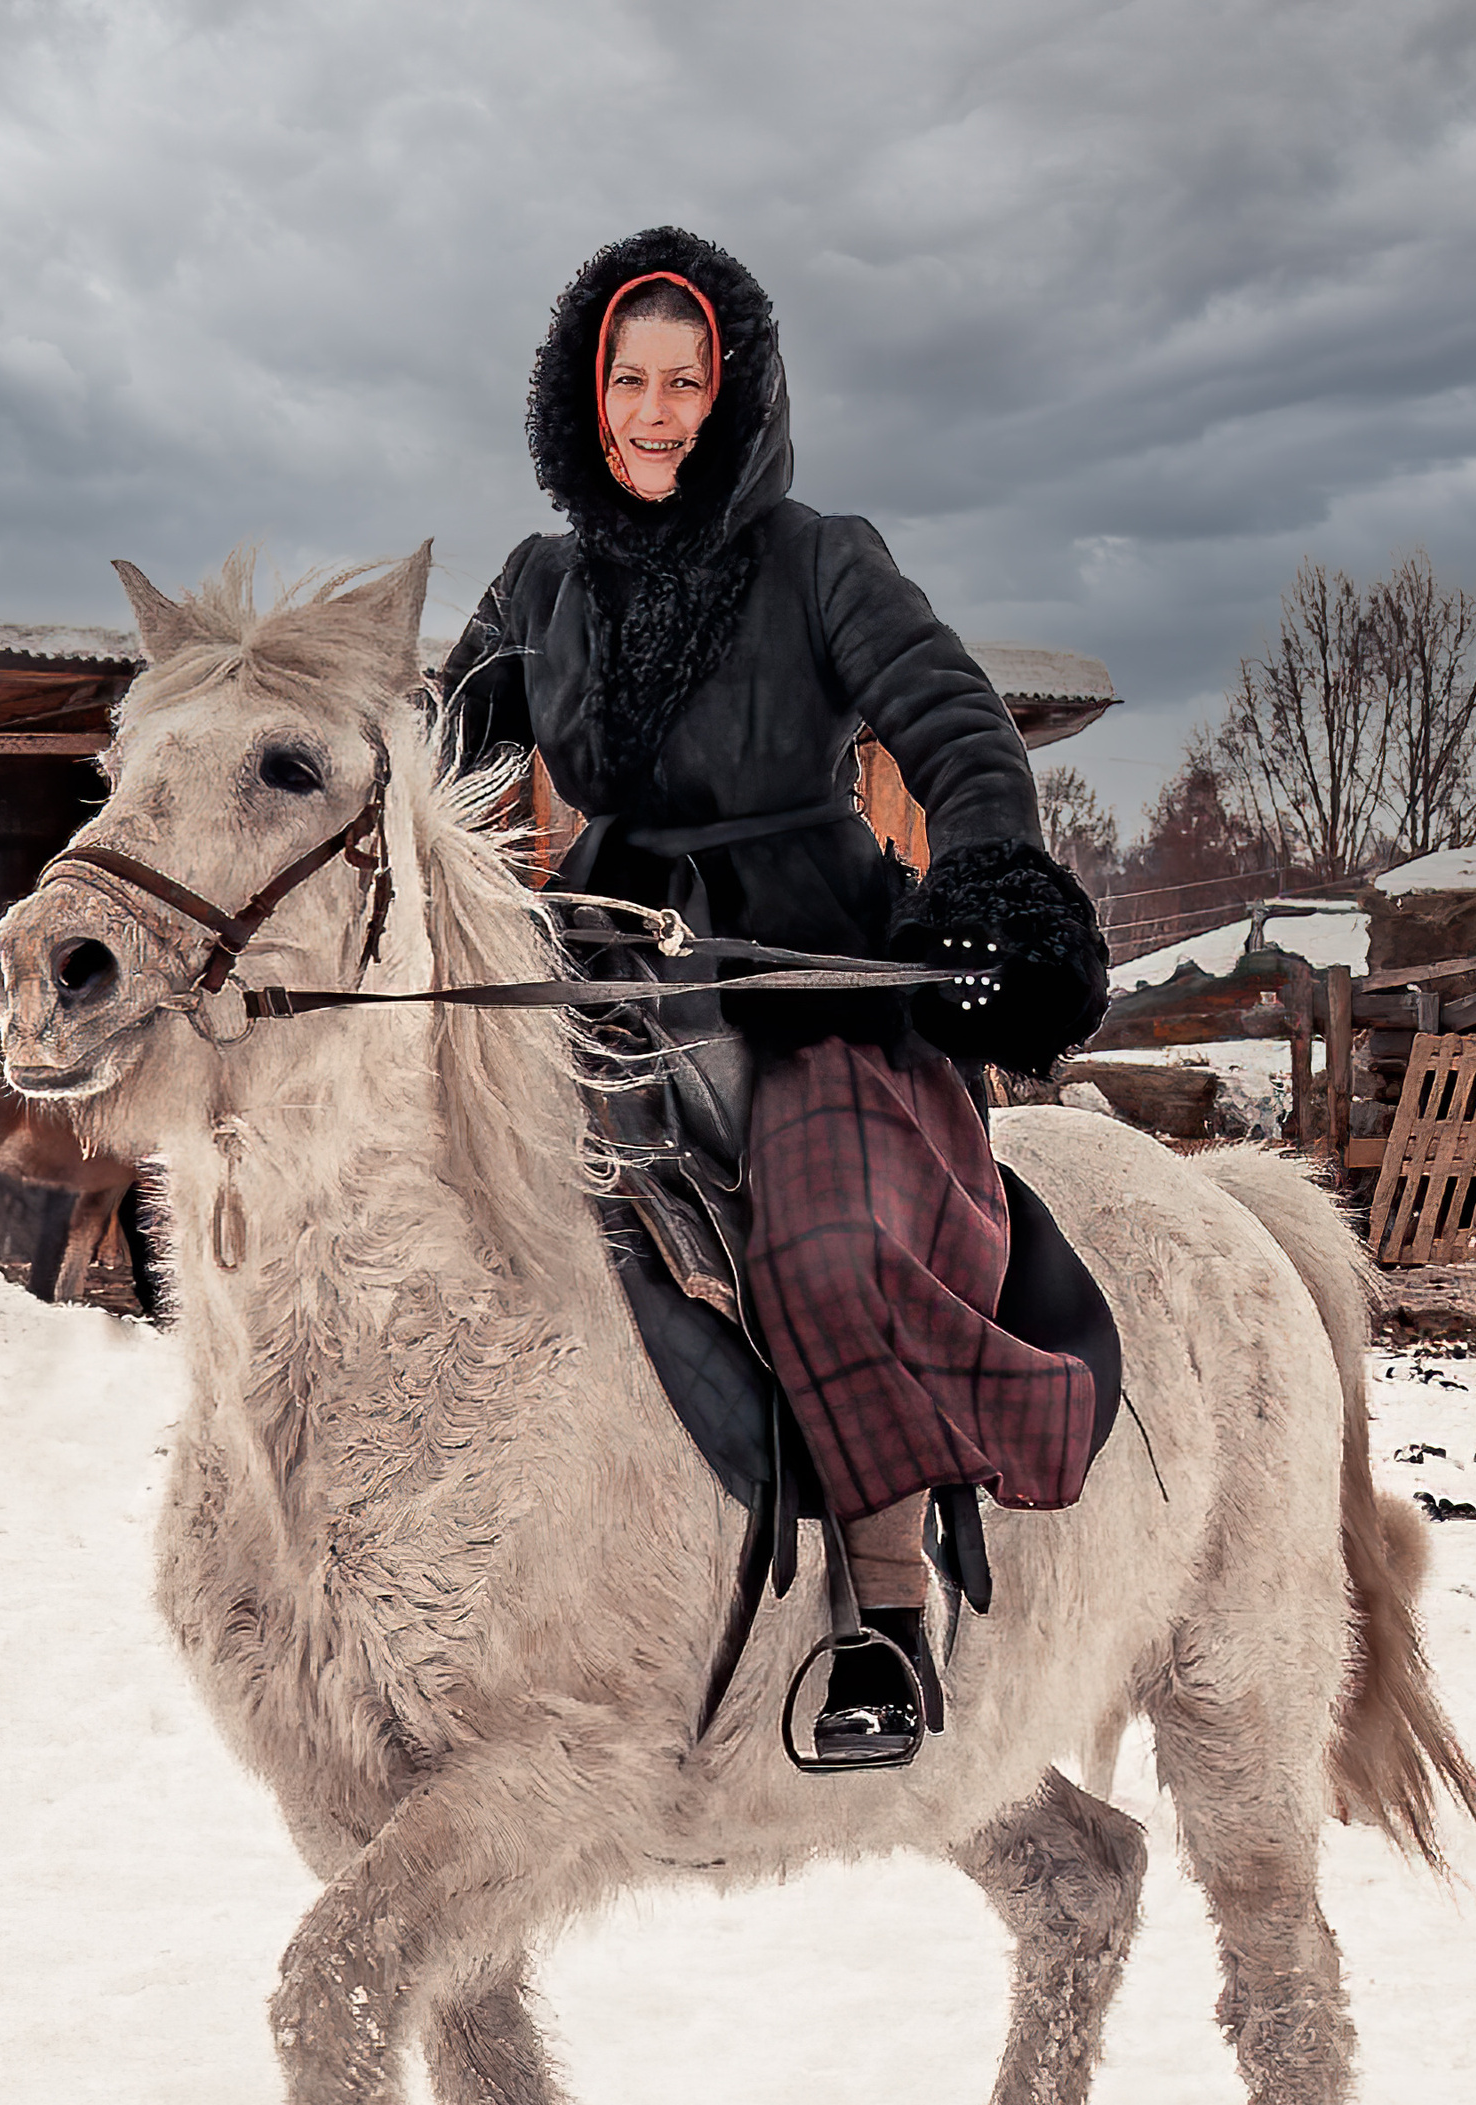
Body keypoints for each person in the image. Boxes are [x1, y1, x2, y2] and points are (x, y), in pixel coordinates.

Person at [439, 227, 1110, 1762]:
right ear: (583, 395)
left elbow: (958, 730)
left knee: (820, 1244)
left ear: (734, 395)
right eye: (631, 380)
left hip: (803, 969)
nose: (658, 411)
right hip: (596, 958)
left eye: (687, 380)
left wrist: (993, 883)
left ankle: (885, 1617)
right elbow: (446, 774)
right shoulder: (537, 586)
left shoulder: (823, 557)